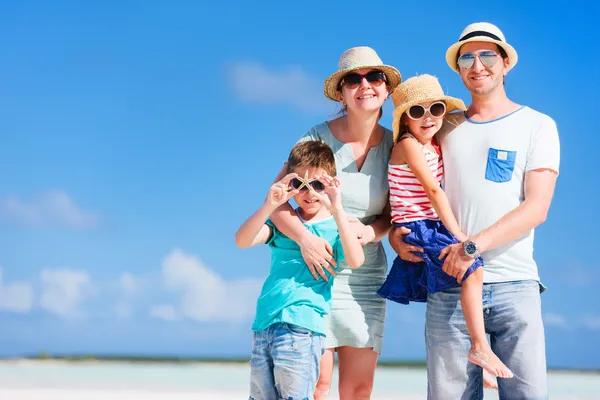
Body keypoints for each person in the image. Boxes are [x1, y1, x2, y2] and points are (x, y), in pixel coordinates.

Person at [389, 22, 560, 399]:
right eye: (467, 56)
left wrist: (471, 248)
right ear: (458, 67)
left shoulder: (537, 126)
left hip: (515, 286)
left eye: (487, 55)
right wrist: (394, 235)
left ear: (505, 62)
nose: (477, 64)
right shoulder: (439, 126)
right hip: (447, 286)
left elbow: (537, 208)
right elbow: (407, 186)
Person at [269, 46, 402, 400]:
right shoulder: (315, 137)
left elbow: (398, 211)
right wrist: (306, 240)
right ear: (341, 92)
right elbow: (276, 201)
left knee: (358, 390)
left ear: (386, 88)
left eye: (374, 77)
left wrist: (373, 231)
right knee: (316, 385)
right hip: (315, 273)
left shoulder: (396, 145)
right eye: (353, 79)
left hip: (365, 276)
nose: (365, 85)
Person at [378, 74, 513, 381]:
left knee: (463, 281)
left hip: (429, 224)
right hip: (419, 226)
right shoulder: (408, 145)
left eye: (435, 109)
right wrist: (459, 234)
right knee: (472, 269)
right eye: (417, 111)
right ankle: (480, 347)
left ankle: (478, 355)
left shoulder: (433, 143)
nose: (427, 117)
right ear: (405, 119)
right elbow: (433, 191)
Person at [236, 140, 365, 400]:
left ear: (331, 185)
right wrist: (269, 206)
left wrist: (337, 208)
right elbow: (243, 240)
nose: (309, 193)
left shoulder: (334, 228)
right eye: (300, 185)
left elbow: (355, 259)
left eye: (318, 185)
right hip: (264, 324)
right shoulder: (283, 226)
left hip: (302, 327)